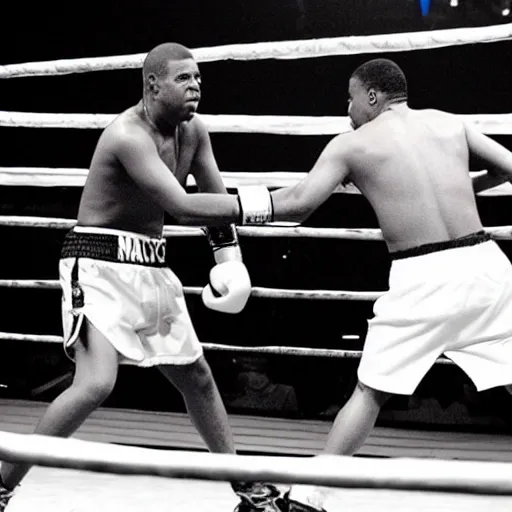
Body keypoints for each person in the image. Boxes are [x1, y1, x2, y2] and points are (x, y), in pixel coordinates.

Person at [0, 42, 283, 512]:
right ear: (153, 83)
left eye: (198, 79)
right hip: (96, 264)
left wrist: (230, 259)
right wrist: (274, 204)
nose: (195, 87)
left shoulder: (195, 133)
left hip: (150, 263)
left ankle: (245, 490)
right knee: (95, 384)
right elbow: (184, 206)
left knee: (198, 378)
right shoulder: (126, 135)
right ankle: (2, 483)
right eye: (183, 79)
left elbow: (214, 202)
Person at [234, 58, 512, 512]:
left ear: (372, 96)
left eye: (350, 97)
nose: (347, 110)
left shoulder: (352, 144)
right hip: (487, 265)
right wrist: (461, 188)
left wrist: (227, 208)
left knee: (370, 391)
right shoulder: (449, 124)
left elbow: (299, 204)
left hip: (424, 274)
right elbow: (509, 168)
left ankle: (309, 497)